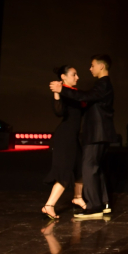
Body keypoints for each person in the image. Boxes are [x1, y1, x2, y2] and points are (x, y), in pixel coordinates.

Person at [50, 54, 117, 220]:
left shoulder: (103, 84)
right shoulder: (103, 84)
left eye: (92, 65)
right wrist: (60, 93)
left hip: (96, 133)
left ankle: (94, 206)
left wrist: (62, 89)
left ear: (101, 66)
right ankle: (103, 203)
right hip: (98, 133)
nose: (90, 68)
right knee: (94, 168)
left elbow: (85, 96)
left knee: (88, 168)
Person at [41, 65, 86, 219]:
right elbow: (59, 112)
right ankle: (49, 205)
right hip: (64, 138)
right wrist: (56, 93)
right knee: (65, 172)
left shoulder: (73, 93)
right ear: (63, 77)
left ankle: (78, 197)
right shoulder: (63, 93)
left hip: (72, 137)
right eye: (74, 74)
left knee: (81, 168)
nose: (77, 77)